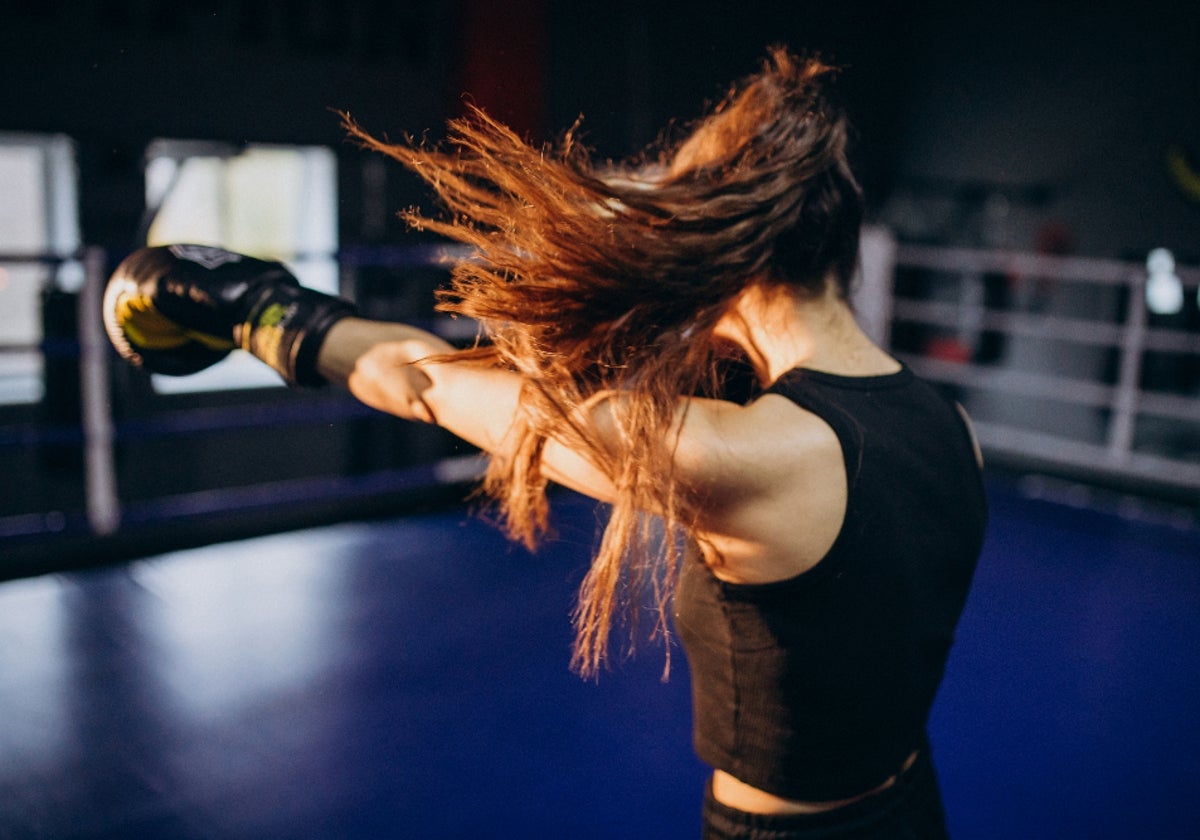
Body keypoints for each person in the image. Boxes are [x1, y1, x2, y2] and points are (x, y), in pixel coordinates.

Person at [104, 47, 987, 839]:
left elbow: (426, 383)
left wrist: (264, 314)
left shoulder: (752, 459)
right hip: (912, 807)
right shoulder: (950, 428)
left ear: (732, 252)